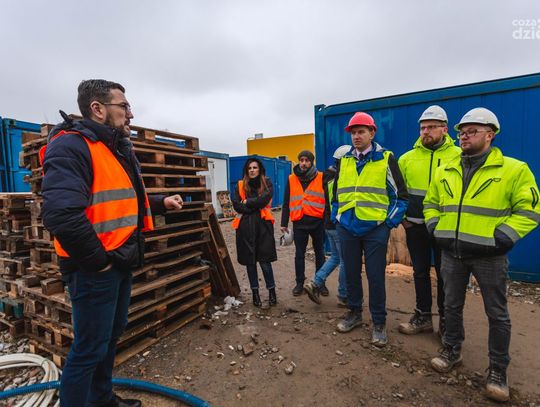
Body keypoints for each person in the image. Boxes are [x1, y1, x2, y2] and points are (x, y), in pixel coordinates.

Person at [41, 79, 183, 407]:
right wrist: (100, 263)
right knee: (88, 348)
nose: (130, 114)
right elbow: (61, 215)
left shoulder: (113, 147)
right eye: (124, 106)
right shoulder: (72, 146)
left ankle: (102, 401)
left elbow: (120, 199)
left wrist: (160, 203)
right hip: (94, 268)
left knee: (107, 339)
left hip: (118, 261)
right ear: (98, 109)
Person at [424, 107, 540, 402]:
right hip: (452, 252)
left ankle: (498, 370)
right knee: (451, 305)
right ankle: (452, 350)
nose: (464, 136)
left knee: (496, 313)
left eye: (472, 131)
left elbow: (530, 210)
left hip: (490, 255)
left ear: (490, 135)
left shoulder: (514, 170)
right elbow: (431, 203)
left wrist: (502, 238)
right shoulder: (445, 169)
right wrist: (436, 228)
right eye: (462, 132)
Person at [331, 112, 408, 347]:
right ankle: (354, 313)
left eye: (361, 132)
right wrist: (337, 217)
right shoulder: (345, 160)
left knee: (375, 277)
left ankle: (379, 323)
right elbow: (336, 194)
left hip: (375, 229)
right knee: (351, 274)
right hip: (347, 227)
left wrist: (388, 224)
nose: (356, 136)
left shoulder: (385, 159)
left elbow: (400, 197)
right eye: (353, 133)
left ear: (372, 133)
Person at [397, 106, 461, 338]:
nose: (426, 131)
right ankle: (423, 316)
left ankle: (445, 320)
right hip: (415, 226)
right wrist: (404, 220)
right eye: (423, 127)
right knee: (420, 272)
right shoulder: (407, 158)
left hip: (445, 228)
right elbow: (398, 193)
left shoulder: (459, 155)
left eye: (432, 127)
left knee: (446, 275)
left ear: (445, 129)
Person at [303, 145, 351, 306]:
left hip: (327, 223)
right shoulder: (340, 177)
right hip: (338, 223)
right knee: (344, 260)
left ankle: (314, 283)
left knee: (335, 257)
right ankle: (343, 295)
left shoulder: (327, 175)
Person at [231, 157, 277, 307]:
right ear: (246, 170)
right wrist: (254, 206)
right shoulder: (240, 185)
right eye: (249, 168)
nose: (252, 170)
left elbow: (264, 199)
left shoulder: (267, 183)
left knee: (265, 262)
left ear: (260, 169)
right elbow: (236, 205)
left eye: (255, 167)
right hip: (245, 227)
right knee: (250, 263)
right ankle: (255, 294)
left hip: (263, 227)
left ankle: (272, 292)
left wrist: (248, 202)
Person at [280, 150, 326, 296]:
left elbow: (327, 200)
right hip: (299, 222)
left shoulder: (321, 177)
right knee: (299, 254)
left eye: (307, 160)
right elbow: (286, 202)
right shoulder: (291, 178)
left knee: (320, 253)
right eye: (301, 160)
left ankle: (320, 283)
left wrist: (327, 221)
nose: (304, 163)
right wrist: (284, 222)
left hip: (318, 222)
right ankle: (299, 283)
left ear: (311, 162)